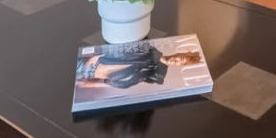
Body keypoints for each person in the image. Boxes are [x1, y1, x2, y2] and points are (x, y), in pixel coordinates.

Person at [76, 45, 204, 90]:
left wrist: (96, 85)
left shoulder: (159, 73)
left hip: (93, 76)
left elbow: (130, 82)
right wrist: (97, 55)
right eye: (180, 58)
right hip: (94, 63)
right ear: (178, 54)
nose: (176, 61)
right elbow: (121, 50)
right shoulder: (151, 50)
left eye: (180, 63)